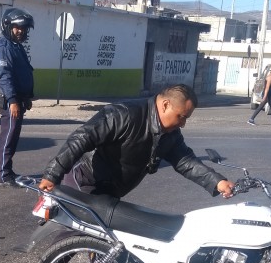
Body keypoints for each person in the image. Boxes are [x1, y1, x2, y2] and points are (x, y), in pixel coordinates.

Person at [37, 84, 235, 200]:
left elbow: (185, 161)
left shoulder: (170, 134)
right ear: (165, 105)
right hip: (87, 181)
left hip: (113, 189)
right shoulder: (124, 114)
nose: (182, 124)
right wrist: (52, 174)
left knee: (105, 245)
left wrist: (217, 182)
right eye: (181, 116)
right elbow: (81, 138)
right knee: (74, 237)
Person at [0, 7, 35, 186]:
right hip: (11, 101)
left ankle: (7, 170)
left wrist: (27, 97)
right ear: (8, 26)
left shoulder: (16, 47)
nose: (21, 31)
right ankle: (3, 174)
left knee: (13, 137)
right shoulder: (4, 48)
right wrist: (13, 101)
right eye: (17, 28)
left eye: (23, 28)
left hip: (18, 99)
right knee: (8, 137)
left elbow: (23, 72)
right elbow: (5, 76)